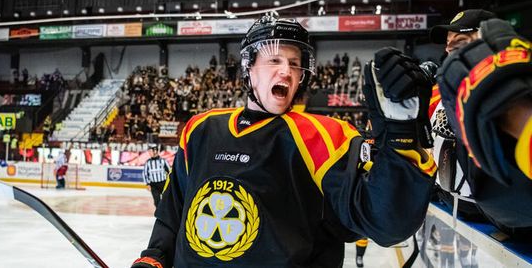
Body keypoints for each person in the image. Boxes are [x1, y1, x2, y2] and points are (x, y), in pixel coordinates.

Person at [131, 15, 436, 268]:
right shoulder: (200, 129)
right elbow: (174, 211)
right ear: (248, 69)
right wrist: (154, 257)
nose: (286, 72)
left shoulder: (326, 137)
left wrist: (399, 136)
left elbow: (387, 222)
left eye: (294, 63)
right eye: (274, 60)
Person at [430, 9, 532, 238]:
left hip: (504, 227)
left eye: (461, 42)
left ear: (490, 41)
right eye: (448, 45)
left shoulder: (523, 86)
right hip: (459, 215)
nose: (449, 52)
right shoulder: (443, 92)